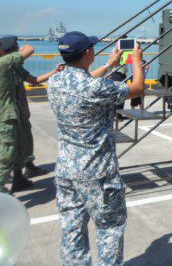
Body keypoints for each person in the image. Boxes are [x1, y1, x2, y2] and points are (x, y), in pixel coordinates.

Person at [48, 31, 145, 265]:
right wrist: (137, 62)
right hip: (98, 174)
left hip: (66, 171)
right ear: (88, 53)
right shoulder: (97, 88)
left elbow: (84, 81)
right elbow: (138, 88)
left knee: (72, 230)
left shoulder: (56, 81)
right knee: (110, 229)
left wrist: (110, 65)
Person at [0, 38, 36, 193]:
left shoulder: (11, 66)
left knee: (16, 150)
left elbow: (33, 80)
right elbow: (30, 48)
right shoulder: (4, 63)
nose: (15, 50)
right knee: (6, 156)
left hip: (13, 115)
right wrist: (21, 50)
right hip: (5, 117)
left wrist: (55, 72)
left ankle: (18, 179)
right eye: (12, 48)